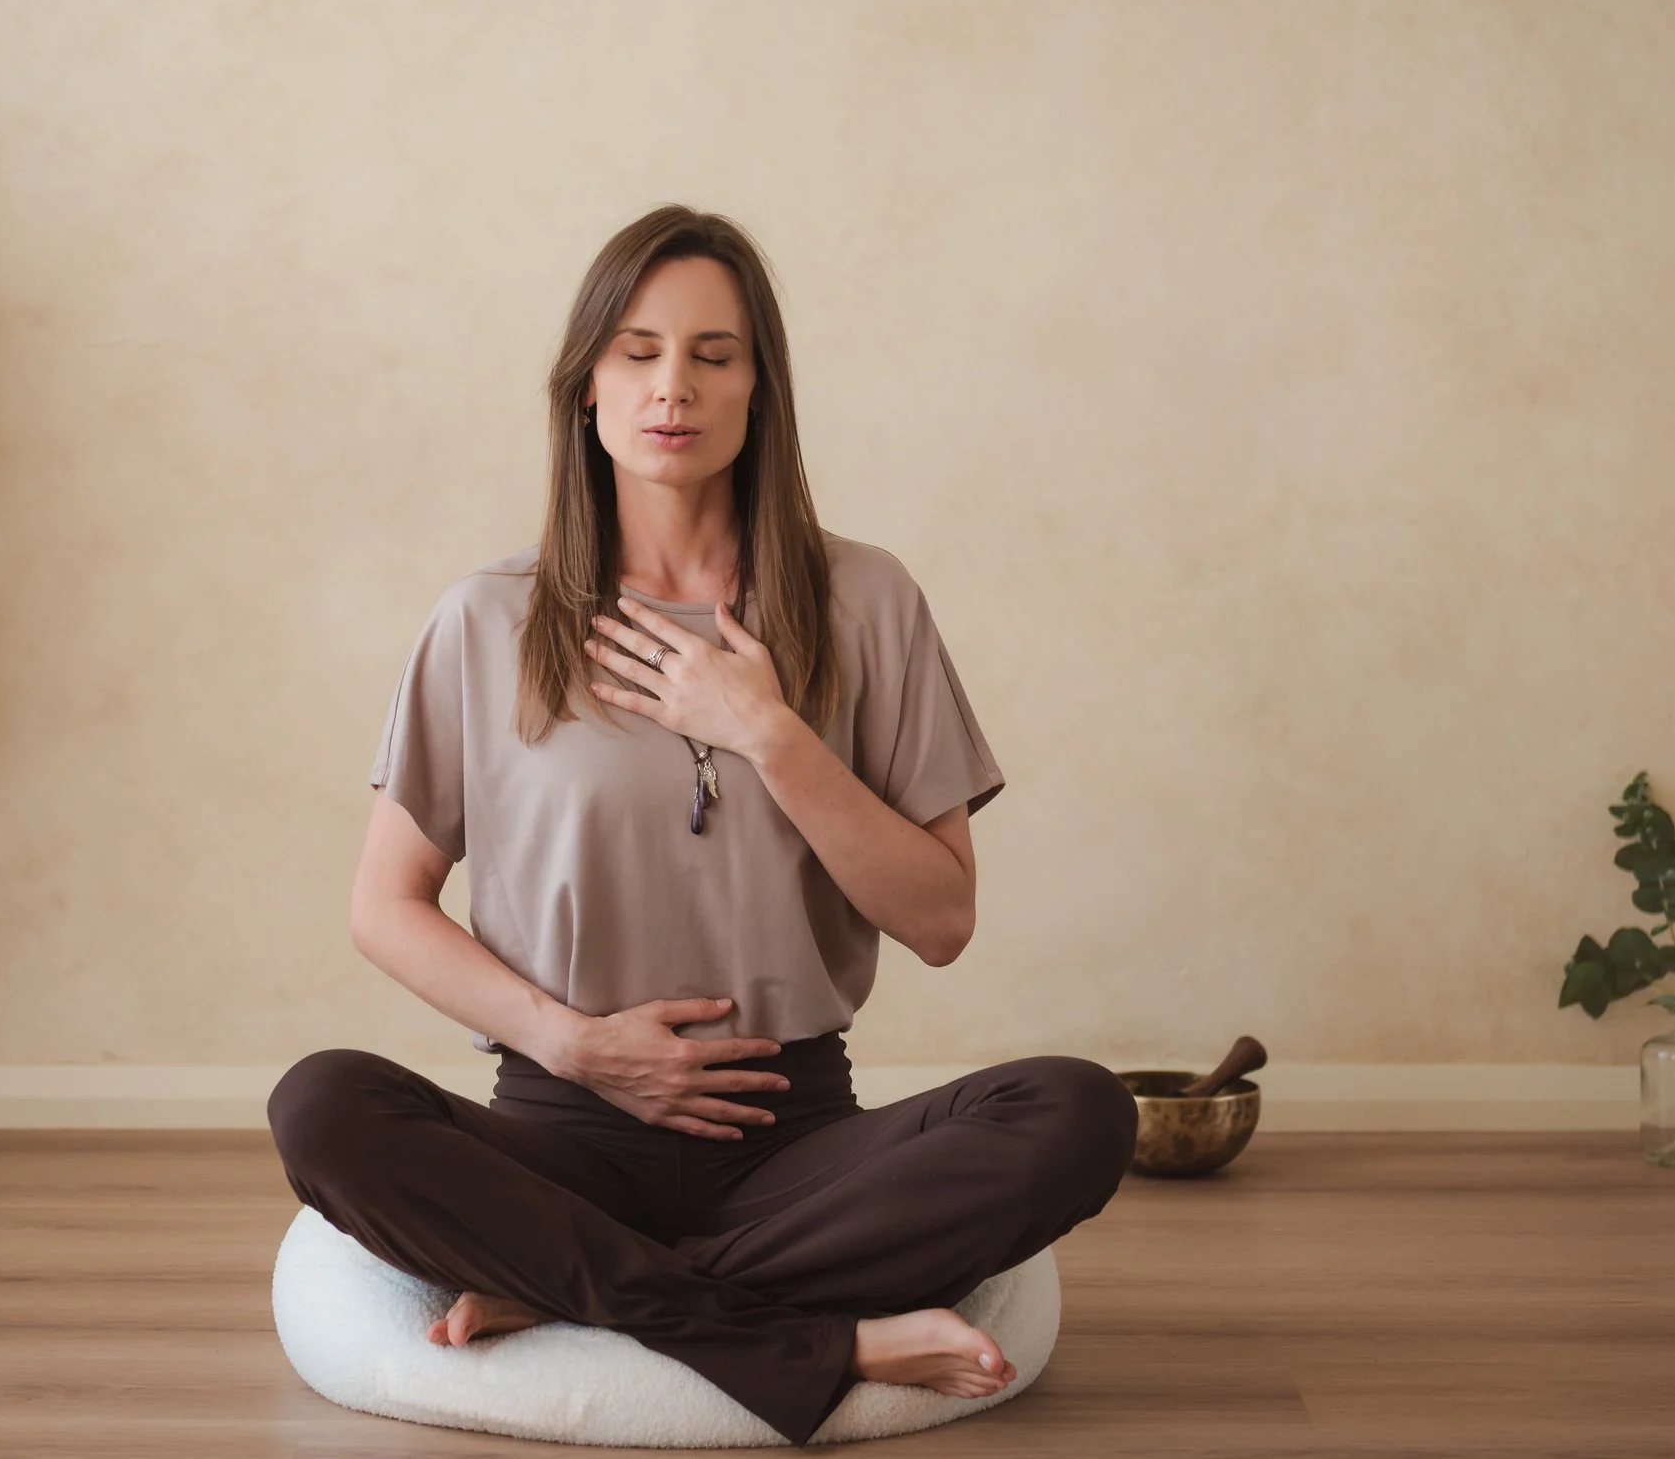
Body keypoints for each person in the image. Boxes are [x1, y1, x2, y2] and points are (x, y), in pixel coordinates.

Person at [267, 204, 1138, 1446]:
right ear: (586, 388)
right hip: (558, 1128)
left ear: (759, 388)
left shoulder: (867, 600)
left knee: (1079, 1111)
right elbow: (383, 906)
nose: (673, 385)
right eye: (636, 350)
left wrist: (768, 732)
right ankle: (811, 1332)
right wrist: (573, 1045)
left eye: (713, 354)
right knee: (322, 1104)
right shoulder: (485, 619)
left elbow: (941, 918)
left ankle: (588, 1286)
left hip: (796, 1139)